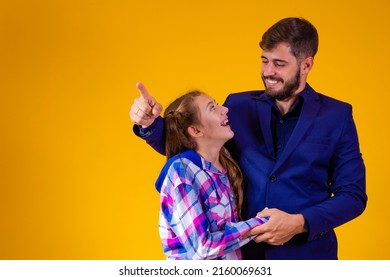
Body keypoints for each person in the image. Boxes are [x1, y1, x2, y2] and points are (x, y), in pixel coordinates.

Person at [130, 17, 367, 260]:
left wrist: (299, 223)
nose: (268, 72)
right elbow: (193, 142)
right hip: (241, 257)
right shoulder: (237, 105)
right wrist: (150, 124)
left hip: (309, 258)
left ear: (306, 65)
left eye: (279, 63)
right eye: (264, 61)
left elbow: (353, 195)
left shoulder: (337, 116)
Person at [154, 90, 267, 259]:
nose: (225, 110)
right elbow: (202, 247)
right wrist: (264, 223)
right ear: (196, 130)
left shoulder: (225, 163)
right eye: (212, 108)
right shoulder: (182, 172)